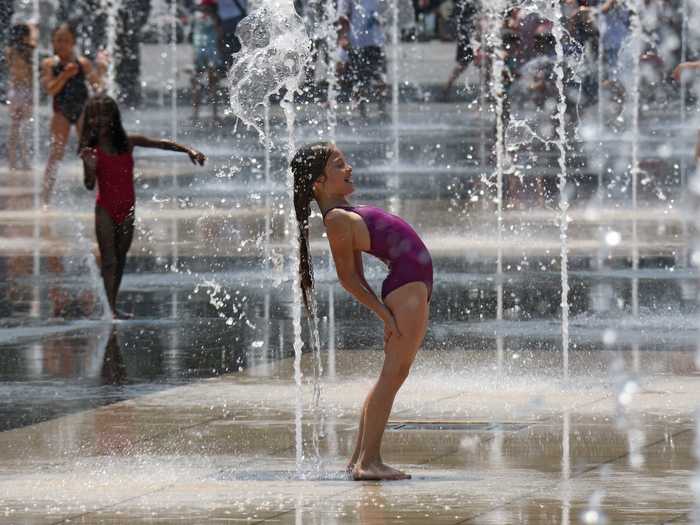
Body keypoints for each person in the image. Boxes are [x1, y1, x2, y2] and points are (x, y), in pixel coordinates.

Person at [291, 142, 433, 480]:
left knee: (391, 375)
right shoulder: (337, 219)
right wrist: (385, 315)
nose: (348, 168)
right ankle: (369, 462)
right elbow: (349, 279)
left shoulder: (343, 212)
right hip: (406, 288)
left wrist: (386, 312)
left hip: (409, 286)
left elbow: (356, 275)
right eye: (338, 165)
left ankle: (358, 458)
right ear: (318, 183)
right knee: (392, 376)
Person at [79, 95, 206, 319]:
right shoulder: (91, 150)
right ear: (89, 119)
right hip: (105, 209)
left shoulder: (128, 142)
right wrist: (90, 167)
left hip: (128, 209)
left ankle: (112, 305)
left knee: (120, 258)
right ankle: (109, 311)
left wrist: (189, 150)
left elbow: (161, 144)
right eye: (95, 115)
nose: (99, 120)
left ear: (113, 117)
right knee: (109, 260)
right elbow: (89, 185)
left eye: (104, 114)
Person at [41, 21, 108, 204]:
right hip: (61, 112)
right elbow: (50, 90)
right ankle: (45, 199)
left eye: (65, 40)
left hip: (82, 110)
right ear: (53, 42)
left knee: (90, 152)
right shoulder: (49, 64)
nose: (61, 44)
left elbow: (97, 86)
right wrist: (63, 76)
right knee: (56, 153)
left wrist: (101, 68)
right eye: (58, 40)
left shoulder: (82, 63)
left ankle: (102, 194)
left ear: (73, 43)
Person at [337, 0, 387, 117]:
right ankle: (362, 111)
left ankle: (382, 109)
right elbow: (343, 16)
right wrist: (343, 37)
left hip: (375, 40)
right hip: (357, 41)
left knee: (380, 77)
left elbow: (383, 10)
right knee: (360, 79)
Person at [4, 23, 36, 171]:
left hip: (16, 91)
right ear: (25, 36)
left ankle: (13, 161)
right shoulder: (27, 51)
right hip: (24, 92)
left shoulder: (11, 51)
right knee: (21, 127)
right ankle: (22, 161)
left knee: (16, 127)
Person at [191, 0, 222, 123]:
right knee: (196, 83)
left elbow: (219, 34)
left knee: (212, 84)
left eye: (205, 6)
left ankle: (214, 114)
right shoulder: (197, 17)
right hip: (200, 55)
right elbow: (194, 36)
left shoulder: (215, 18)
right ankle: (195, 113)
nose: (202, 8)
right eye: (201, 7)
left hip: (211, 55)